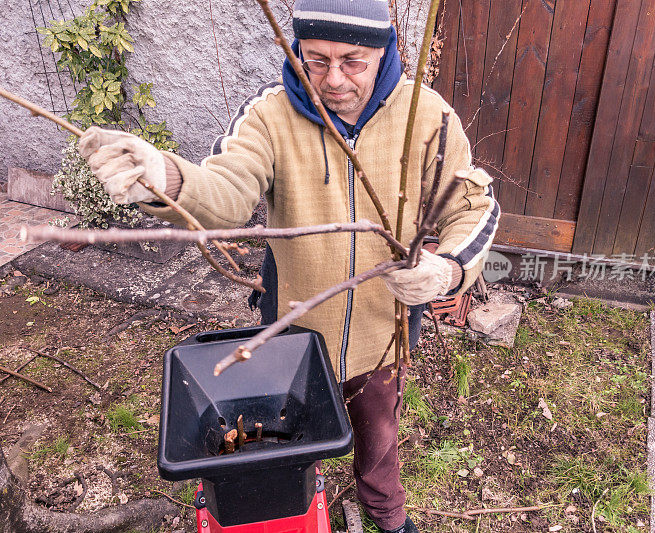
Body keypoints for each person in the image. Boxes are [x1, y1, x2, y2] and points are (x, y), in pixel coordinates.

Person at [78, 1, 499, 530]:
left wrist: (447, 269)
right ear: (296, 47)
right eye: (316, 59)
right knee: (295, 437)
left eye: (353, 61)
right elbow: (228, 190)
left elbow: (473, 206)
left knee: (379, 433)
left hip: (384, 331)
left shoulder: (427, 117)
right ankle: (300, 499)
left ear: (385, 51)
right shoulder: (270, 115)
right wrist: (167, 177)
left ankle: (385, 510)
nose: (333, 80)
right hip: (297, 336)